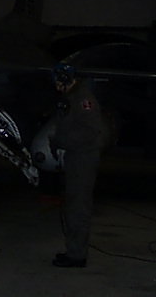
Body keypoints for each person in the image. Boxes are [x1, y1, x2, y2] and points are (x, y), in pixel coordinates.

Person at [49, 63, 104, 268]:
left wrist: (62, 141)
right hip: (75, 156)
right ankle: (73, 250)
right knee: (72, 204)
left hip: (83, 157)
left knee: (78, 206)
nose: (57, 87)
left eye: (58, 83)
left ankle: (77, 255)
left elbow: (90, 131)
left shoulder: (83, 99)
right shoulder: (71, 97)